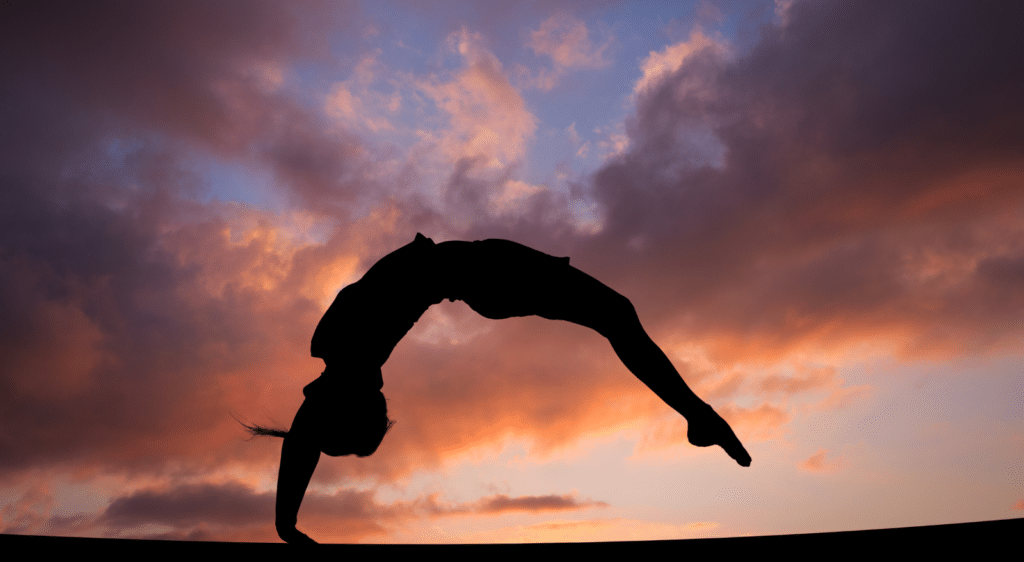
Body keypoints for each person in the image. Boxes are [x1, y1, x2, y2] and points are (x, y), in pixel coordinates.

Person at [246, 233, 751, 544]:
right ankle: (697, 415)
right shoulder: (340, 352)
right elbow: (305, 433)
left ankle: (697, 415)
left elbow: (304, 436)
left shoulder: (345, 356)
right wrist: (284, 523)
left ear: (351, 407)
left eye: (375, 415)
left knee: (616, 315)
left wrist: (285, 523)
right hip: (482, 274)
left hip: (484, 274)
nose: (383, 401)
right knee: (616, 316)